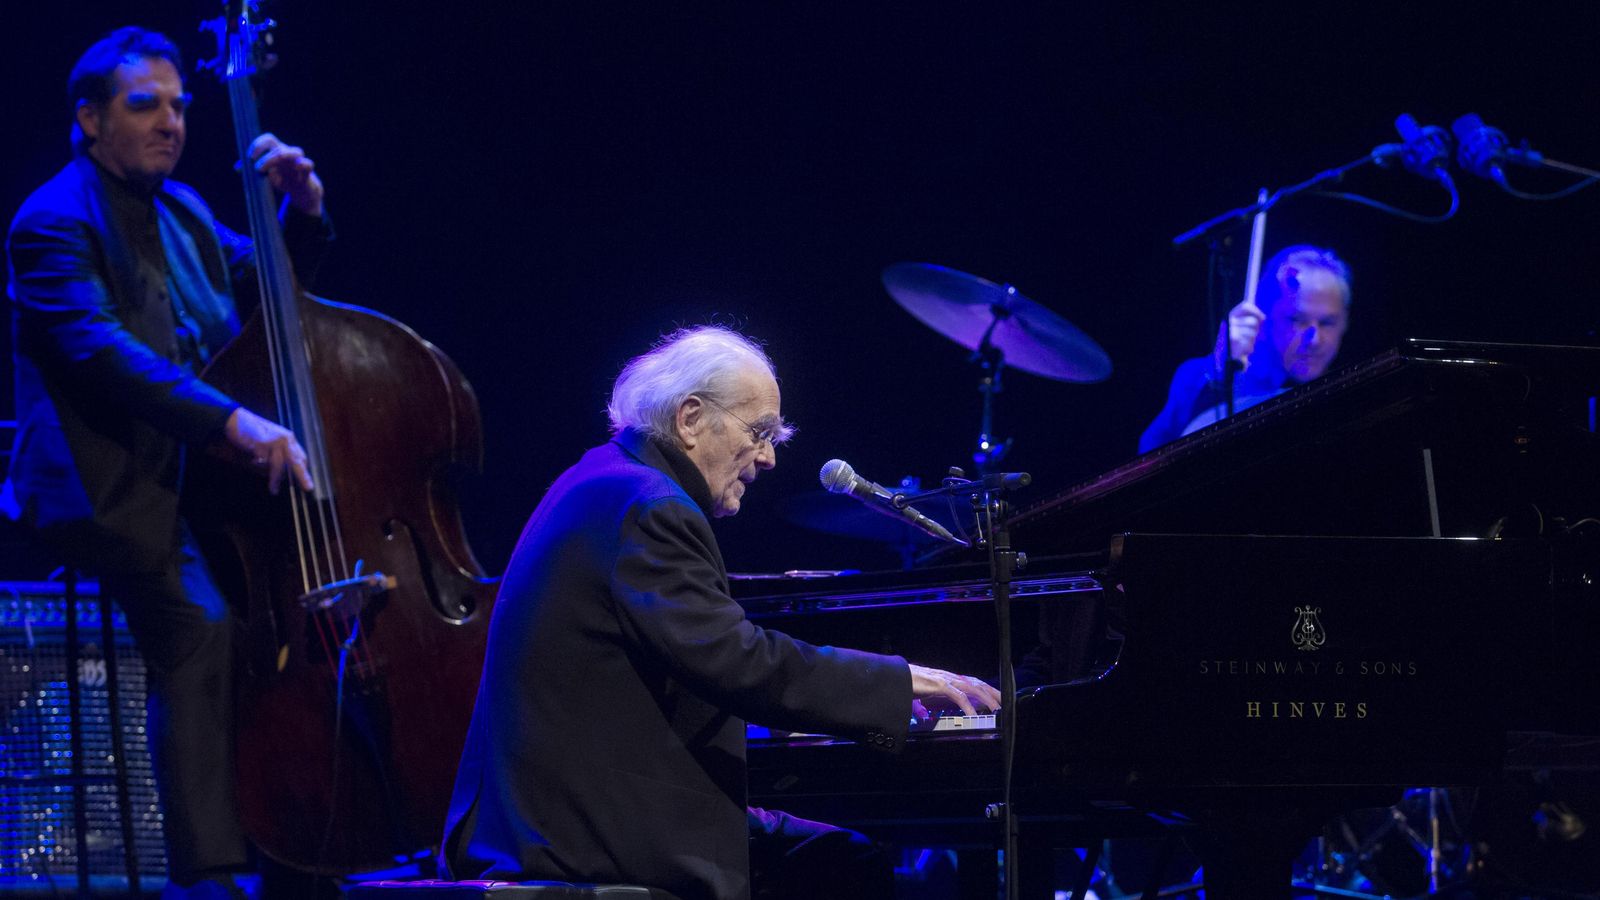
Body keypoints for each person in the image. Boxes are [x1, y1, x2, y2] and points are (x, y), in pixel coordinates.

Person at [439, 325, 1001, 900]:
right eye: (760, 433)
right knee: (839, 864)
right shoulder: (651, 507)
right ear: (689, 418)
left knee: (830, 853)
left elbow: (686, 670)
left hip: (562, 813)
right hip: (582, 835)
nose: (770, 457)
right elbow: (736, 661)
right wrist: (900, 682)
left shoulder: (607, 481)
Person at [3, 26, 327, 897]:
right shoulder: (49, 222)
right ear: (89, 118)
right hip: (110, 486)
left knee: (280, 629)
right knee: (202, 628)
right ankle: (210, 874)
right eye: (146, 104)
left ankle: (300, 842)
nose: (172, 122)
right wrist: (235, 423)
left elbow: (272, 293)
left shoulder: (183, 210)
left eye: (181, 106)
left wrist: (294, 208)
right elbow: (108, 356)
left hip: (199, 481)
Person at [1138, 245, 1352, 453]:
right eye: (1297, 320)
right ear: (1263, 317)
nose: (1313, 339)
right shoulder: (1203, 375)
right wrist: (1219, 376)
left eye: (1327, 322)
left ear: (1345, 323)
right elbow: (1151, 454)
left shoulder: (1349, 393)